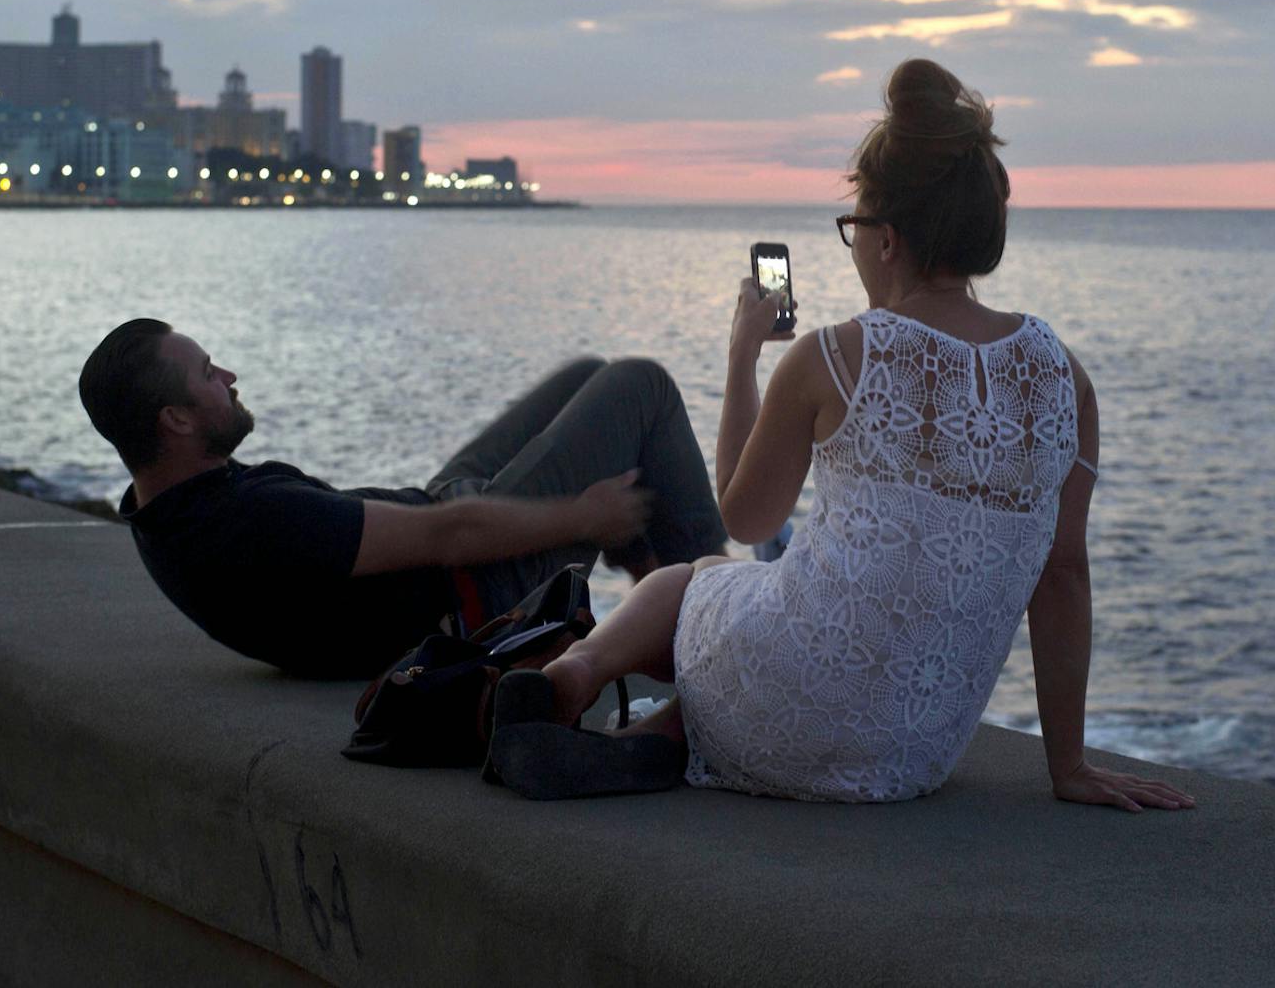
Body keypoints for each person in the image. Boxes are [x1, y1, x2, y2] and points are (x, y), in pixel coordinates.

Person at [487, 60, 1198, 812]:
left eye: (853, 227)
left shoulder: (832, 353)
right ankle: (662, 739)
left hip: (789, 691)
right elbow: (1063, 579)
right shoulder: (1065, 378)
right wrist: (1070, 767)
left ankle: (574, 677)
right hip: (911, 752)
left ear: (887, 240)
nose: (852, 244)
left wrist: (740, 359)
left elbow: (743, 518)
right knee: (760, 622)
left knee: (691, 579)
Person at [76, 321, 730, 679]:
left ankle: (657, 603)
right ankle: (724, 642)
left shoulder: (163, 508)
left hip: (444, 525)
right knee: (640, 386)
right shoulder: (249, 523)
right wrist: (585, 517)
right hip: (483, 586)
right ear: (177, 421)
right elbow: (448, 538)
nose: (228, 376)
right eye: (208, 373)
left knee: (587, 376)